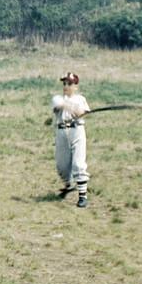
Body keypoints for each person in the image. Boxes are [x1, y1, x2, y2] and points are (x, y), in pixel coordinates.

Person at [51, 72, 91, 208]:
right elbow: (58, 105)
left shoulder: (81, 99)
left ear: (76, 86)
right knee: (61, 165)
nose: (66, 86)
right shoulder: (58, 98)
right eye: (65, 83)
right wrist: (68, 106)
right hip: (61, 131)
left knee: (78, 163)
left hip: (77, 130)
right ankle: (69, 184)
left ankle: (82, 196)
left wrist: (79, 111)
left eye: (69, 84)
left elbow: (81, 113)